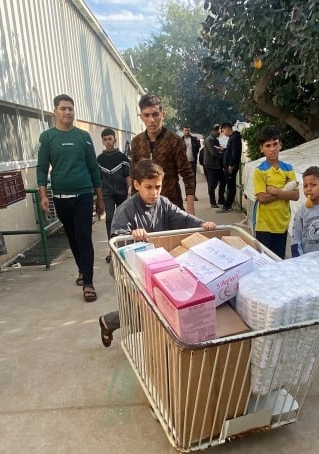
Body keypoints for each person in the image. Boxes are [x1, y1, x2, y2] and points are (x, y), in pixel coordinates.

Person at [97, 159, 216, 347]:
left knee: (153, 309)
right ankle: (110, 323)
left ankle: (110, 322)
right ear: (136, 185)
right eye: (148, 187)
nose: (154, 193)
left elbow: (182, 218)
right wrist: (131, 235)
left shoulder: (164, 203)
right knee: (146, 312)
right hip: (127, 269)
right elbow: (116, 239)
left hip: (153, 264)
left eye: (158, 187)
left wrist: (202, 224)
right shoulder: (126, 210)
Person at [37, 94, 104, 302]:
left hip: (83, 195)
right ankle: (82, 269)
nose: (68, 112)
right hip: (60, 196)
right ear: (55, 111)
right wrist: (43, 195)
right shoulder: (47, 138)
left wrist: (99, 197)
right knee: (73, 237)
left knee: (84, 236)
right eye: (63, 108)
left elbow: (94, 168)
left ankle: (89, 283)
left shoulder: (83, 137)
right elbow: (41, 168)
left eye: (70, 109)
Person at [130, 94, 196, 214]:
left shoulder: (174, 141)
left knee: (175, 233)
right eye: (146, 115)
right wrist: (132, 208)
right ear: (141, 117)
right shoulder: (136, 142)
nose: (151, 120)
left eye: (155, 114)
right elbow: (135, 176)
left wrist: (190, 208)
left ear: (163, 115)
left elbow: (187, 174)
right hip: (144, 208)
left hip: (171, 204)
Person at [251, 125, 300, 259]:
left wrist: (275, 191)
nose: (272, 149)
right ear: (262, 149)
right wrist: (285, 192)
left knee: (278, 261)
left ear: (280, 145)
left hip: (282, 224)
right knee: (264, 262)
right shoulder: (259, 171)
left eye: (275, 144)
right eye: (268, 145)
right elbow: (262, 198)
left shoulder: (288, 168)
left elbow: (296, 195)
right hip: (264, 225)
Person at [98, 128, 131, 263]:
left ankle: (126, 249)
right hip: (107, 194)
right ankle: (112, 250)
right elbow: (98, 180)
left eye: (110, 139)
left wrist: (129, 192)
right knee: (110, 219)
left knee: (124, 220)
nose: (108, 142)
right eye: (105, 139)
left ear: (115, 140)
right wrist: (99, 198)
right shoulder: (99, 159)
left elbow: (127, 175)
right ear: (102, 141)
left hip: (122, 193)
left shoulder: (122, 157)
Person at [217, 121, 242, 213]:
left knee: (231, 186)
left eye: (223, 131)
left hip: (231, 165)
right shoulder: (232, 138)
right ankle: (227, 205)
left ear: (228, 128)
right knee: (229, 185)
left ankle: (228, 206)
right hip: (228, 164)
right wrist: (225, 150)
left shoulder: (235, 137)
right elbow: (231, 151)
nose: (223, 133)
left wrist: (231, 165)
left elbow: (235, 153)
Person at [202, 124, 225, 208]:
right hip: (210, 165)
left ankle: (221, 199)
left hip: (217, 165)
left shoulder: (214, 139)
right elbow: (214, 153)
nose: (220, 133)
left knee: (223, 181)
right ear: (215, 131)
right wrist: (224, 154)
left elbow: (217, 150)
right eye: (219, 131)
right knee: (212, 184)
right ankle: (213, 202)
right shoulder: (209, 140)